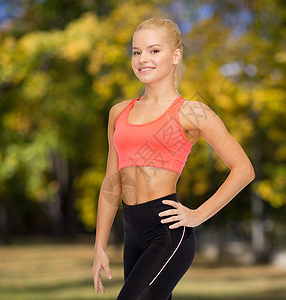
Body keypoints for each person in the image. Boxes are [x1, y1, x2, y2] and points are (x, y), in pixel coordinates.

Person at [92, 18, 255, 300]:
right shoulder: (119, 112)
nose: (143, 59)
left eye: (154, 50)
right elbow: (111, 182)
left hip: (167, 231)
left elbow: (244, 169)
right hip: (131, 230)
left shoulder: (191, 112)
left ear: (176, 56)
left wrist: (198, 215)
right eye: (136, 51)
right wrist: (99, 246)